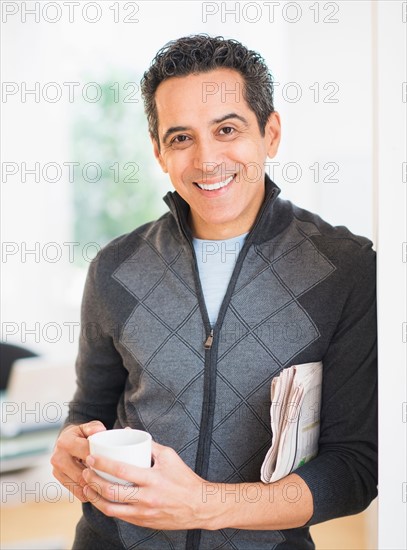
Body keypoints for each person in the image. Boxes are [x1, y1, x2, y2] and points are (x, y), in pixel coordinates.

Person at [51, 35, 377, 550]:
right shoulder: (115, 268)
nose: (207, 159)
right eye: (181, 138)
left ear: (270, 134)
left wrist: (203, 503)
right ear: (159, 151)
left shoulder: (347, 270)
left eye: (227, 129)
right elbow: (89, 409)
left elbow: (354, 469)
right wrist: (71, 445)